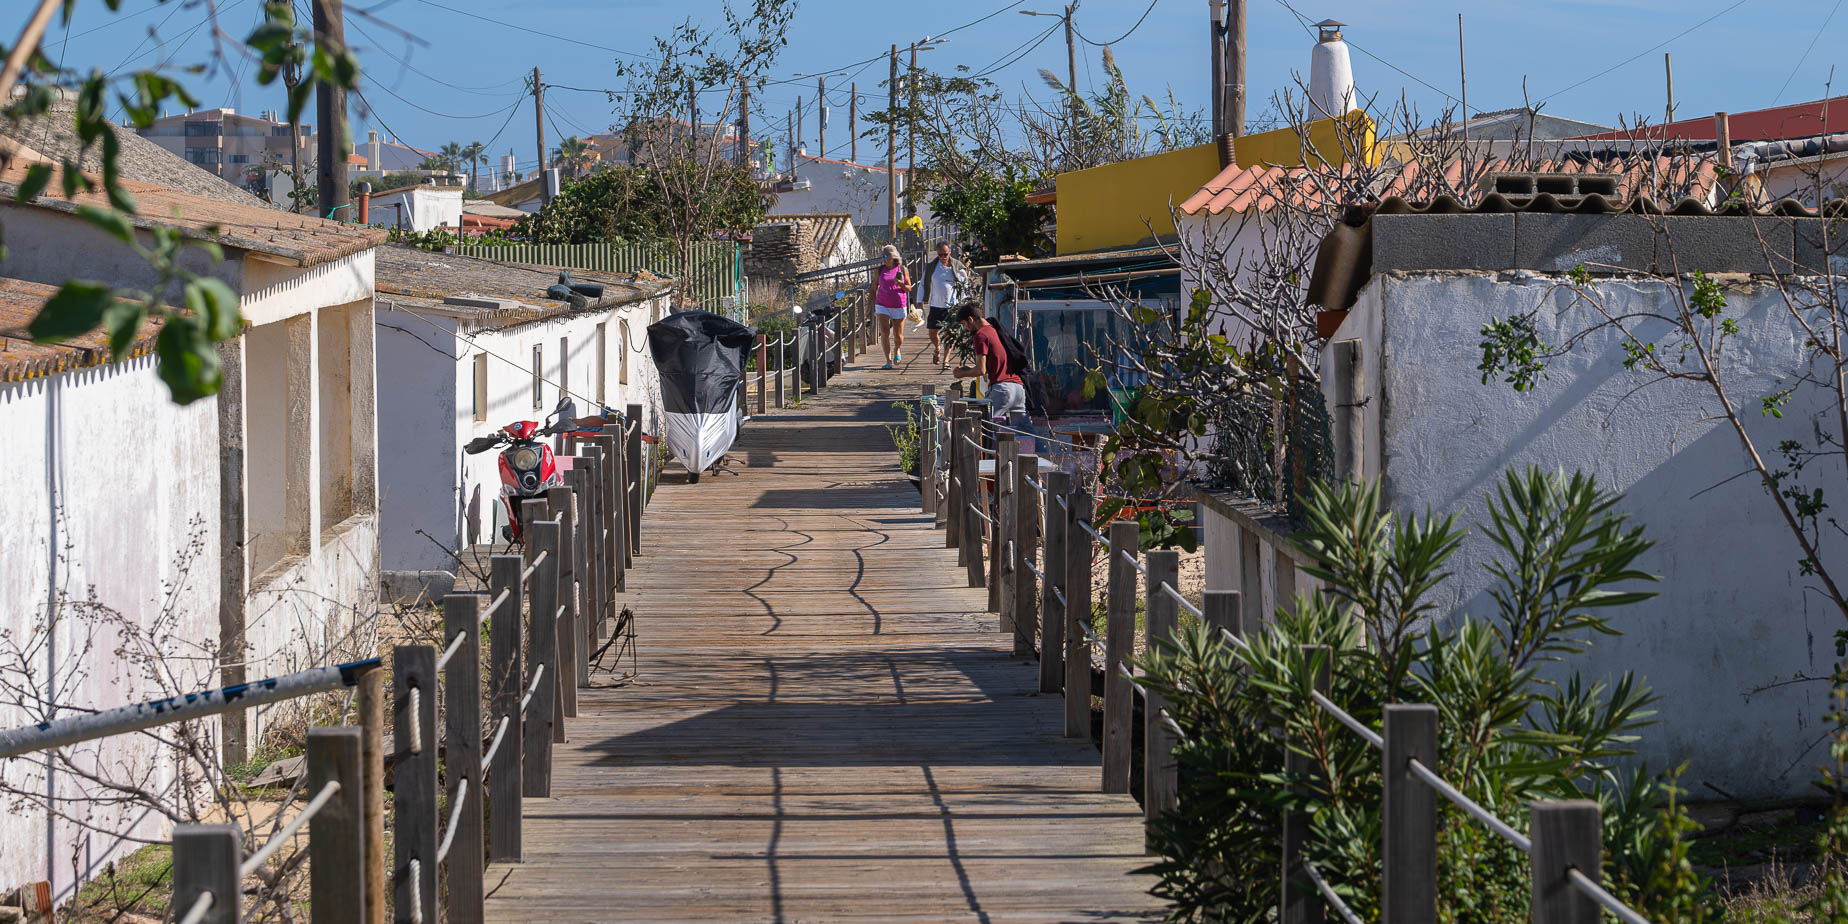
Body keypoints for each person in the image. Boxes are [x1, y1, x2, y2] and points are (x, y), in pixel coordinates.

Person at [950, 304, 1025, 424]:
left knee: (989, 429)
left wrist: (961, 373)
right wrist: (968, 368)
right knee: (1024, 431)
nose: (965, 329)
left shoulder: (980, 335)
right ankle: (1040, 444)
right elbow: (994, 363)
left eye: (964, 324)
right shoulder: (995, 329)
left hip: (1002, 389)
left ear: (971, 319)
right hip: (1018, 388)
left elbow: (981, 370)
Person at [918, 241, 968, 366]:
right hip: (935, 305)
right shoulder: (932, 267)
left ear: (949, 253)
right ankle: (937, 348)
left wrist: (963, 302)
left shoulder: (957, 266)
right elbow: (923, 284)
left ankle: (946, 360)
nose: (943, 257)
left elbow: (964, 285)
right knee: (932, 332)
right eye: (940, 255)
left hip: (952, 306)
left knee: (949, 334)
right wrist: (920, 301)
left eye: (945, 254)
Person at [872, 244, 912, 369]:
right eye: (882, 255)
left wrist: (900, 283)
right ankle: (888, 360)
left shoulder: (902, 269)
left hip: (898, 304)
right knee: (884, 331)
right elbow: (873, 288)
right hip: (882, 304)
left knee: (898, 336)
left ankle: (897, 349)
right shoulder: (879, 270)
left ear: (892, 256)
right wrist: (869, 307)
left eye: (885, 255)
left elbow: (909, 288)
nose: (883, 258)